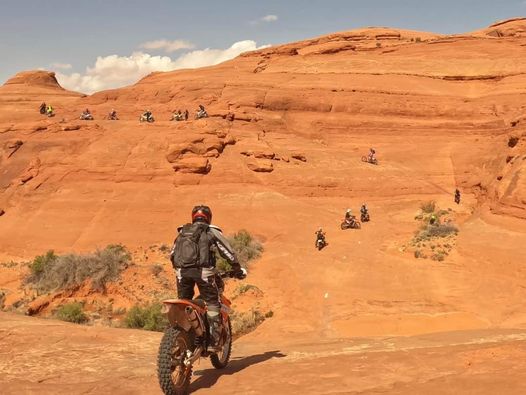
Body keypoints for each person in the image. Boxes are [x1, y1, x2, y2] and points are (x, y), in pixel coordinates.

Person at [170, 205, 246, 347]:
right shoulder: (211, 231)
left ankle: (183, 336)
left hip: (181, 273)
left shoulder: (182, 232)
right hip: (203, 273)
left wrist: (180, 269)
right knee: (212, 303)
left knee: (184, 303)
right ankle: (213, 342)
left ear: (193, 217)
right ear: (209, 217)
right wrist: (237, 268)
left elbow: (172, 254)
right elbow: (226, 251)